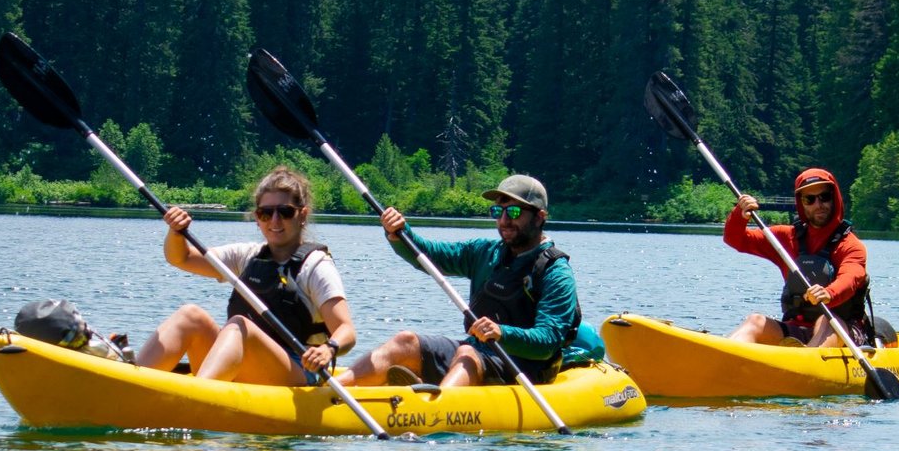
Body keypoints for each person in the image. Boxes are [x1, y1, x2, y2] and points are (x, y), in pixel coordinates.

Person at [343, 174, 587, 389]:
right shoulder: (484, 252)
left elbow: (547, 341)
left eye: (513, 212)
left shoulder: (555, 272)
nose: (503, 221)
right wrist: (399, 232)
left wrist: (501, 333)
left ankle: (435, 407)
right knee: (405, 341)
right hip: (478, 351)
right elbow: (429, 255)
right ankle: (329, 388)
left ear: (539, 217)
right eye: (497, 212)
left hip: (527, 369)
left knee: (467, 353)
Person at [137, 165, 355, 385]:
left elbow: (346, 330)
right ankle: (134, 384)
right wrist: (176, 233)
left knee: (240, 325)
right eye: (265, 213)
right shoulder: (247, 256)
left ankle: (196, 400)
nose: (275, 221)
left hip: (298, 371)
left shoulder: (316, 266)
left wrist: (330, 349)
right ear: (257, 218)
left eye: (285, 212)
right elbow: (181, 258)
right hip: (249, 366)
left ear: (302, 215)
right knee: (190, 316)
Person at [723, 167, 873, 348]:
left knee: (827, 322)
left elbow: (851, 277)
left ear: (835, 198)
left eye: (824, 197)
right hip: (798, 328)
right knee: (755, 321)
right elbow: (735, 239)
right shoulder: (786, 238)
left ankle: (804, 365)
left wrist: (829, 293)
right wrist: (739, 215)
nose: (818, 204)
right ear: (801, 203)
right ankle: (724, 359)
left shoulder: (851, 245)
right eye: (810, 199)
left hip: (844, 332)